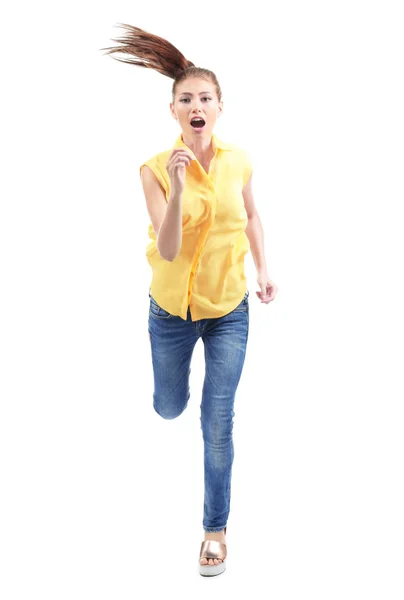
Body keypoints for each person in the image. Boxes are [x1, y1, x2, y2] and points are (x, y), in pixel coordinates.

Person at [101, 23, 278, 577]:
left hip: (229, 309)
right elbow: (171, 249)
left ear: (219, 107)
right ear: (173, 110)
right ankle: (169, 399)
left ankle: (214, 532)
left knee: (216, 417)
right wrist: (177, 189)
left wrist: (266, 269)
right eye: (186, 99)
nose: (195, 106)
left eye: (205, 98)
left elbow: (250, 215)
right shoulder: (154, 169)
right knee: (170, 406)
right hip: (171, 313)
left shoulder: (240, 161)